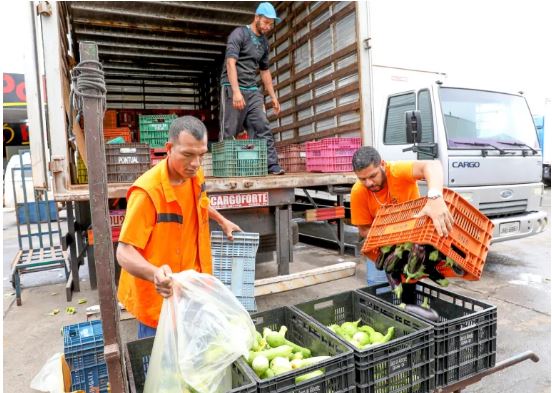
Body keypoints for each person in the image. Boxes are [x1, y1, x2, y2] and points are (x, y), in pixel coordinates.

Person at [116, 116, 242, 338]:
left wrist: (221, 220)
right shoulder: (147, 192)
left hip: (192, 289)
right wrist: (154, 273)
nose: (195, 163)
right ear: (169, 149)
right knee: (158, 364)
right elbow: (124, 251)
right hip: (159, 298)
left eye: (201, 155)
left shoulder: (195, 175)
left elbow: (200, 203)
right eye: (187, 155)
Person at [350, 146, 454, 286]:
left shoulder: (396, 171)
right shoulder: (358, 192)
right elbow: (363, 231)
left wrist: (435, 197)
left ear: (382, 164)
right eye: (362, 179)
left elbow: (432, 165)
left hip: (415, 239)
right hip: (382, 246)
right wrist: (396, 235)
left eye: (373, 176)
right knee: (378, 289)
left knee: (412, 285)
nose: (368, 183)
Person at [219, 2, 284, 175]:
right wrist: (236, 92)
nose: (268, 27)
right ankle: (228, 169)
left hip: (252, 89)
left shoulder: (264, 43)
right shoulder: (239, 34)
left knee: (263, 125)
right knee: (230, 130)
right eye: (266, 22)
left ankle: (272, 165)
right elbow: (230, 63)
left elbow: (265, 71)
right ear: (256, 17)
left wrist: (273, 97)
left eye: (271, 24)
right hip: (232, 87)